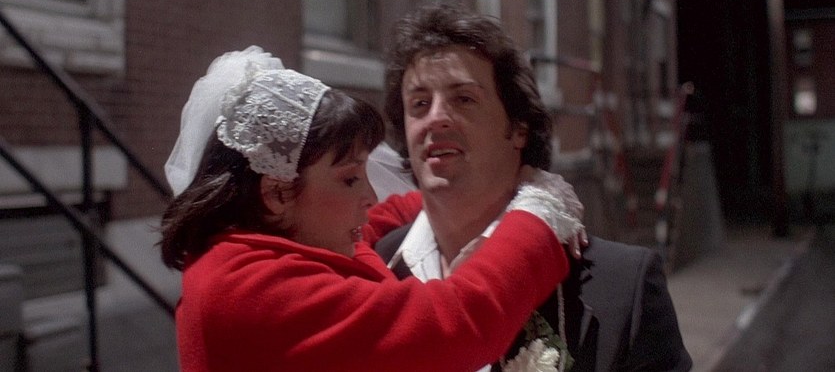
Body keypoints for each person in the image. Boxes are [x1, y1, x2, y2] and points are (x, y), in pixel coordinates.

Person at [159, 46, 584, 372]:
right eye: (349, 179)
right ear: (277, 193)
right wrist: (539, 210)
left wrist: (461, 194)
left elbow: (375, 222)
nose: (370, 195)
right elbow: (458, 326)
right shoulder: (246, 291)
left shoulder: (263, 241)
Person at [370, 3, 693, 371]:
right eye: (419, 103)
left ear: (518, 129)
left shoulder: (622, 286)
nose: (436, 118)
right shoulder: (373, 267)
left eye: (464, 99)